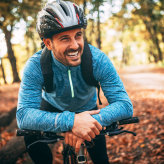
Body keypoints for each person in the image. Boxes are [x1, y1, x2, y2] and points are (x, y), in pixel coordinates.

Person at [16, 0, 133, 164]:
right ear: (48, 43)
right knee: (30, 136)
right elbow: (23, 115)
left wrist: (85, 123)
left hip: (89, 110)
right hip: (52, 107)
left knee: (101, 159)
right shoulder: (35, 66)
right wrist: (71, 122)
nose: (75, 45)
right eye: (65, 39)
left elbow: (125, 105)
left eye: (78, 35)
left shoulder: (98, 59)